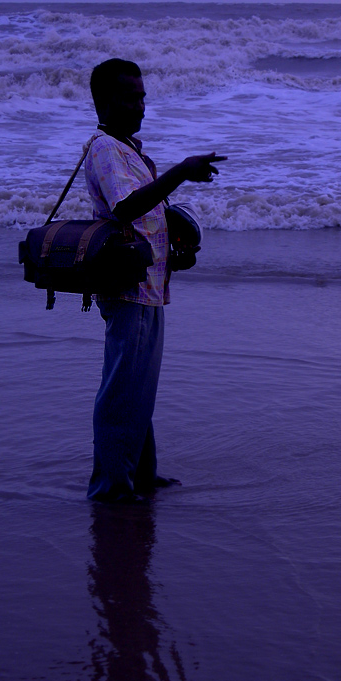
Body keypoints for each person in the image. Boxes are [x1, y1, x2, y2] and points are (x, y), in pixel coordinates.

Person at [84, 58, 226, 503]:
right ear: (105, 102)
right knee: (123, 389)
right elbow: (126, 207)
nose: (141, 105)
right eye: (131, 97)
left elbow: (143, 214)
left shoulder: (128, 148)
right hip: (128, 287)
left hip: (145, 284)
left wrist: (173, 245)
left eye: (143, 96)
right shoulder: (106, 148)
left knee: (138, 386)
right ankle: (110, 486)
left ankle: (141, 475)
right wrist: (180, 172)